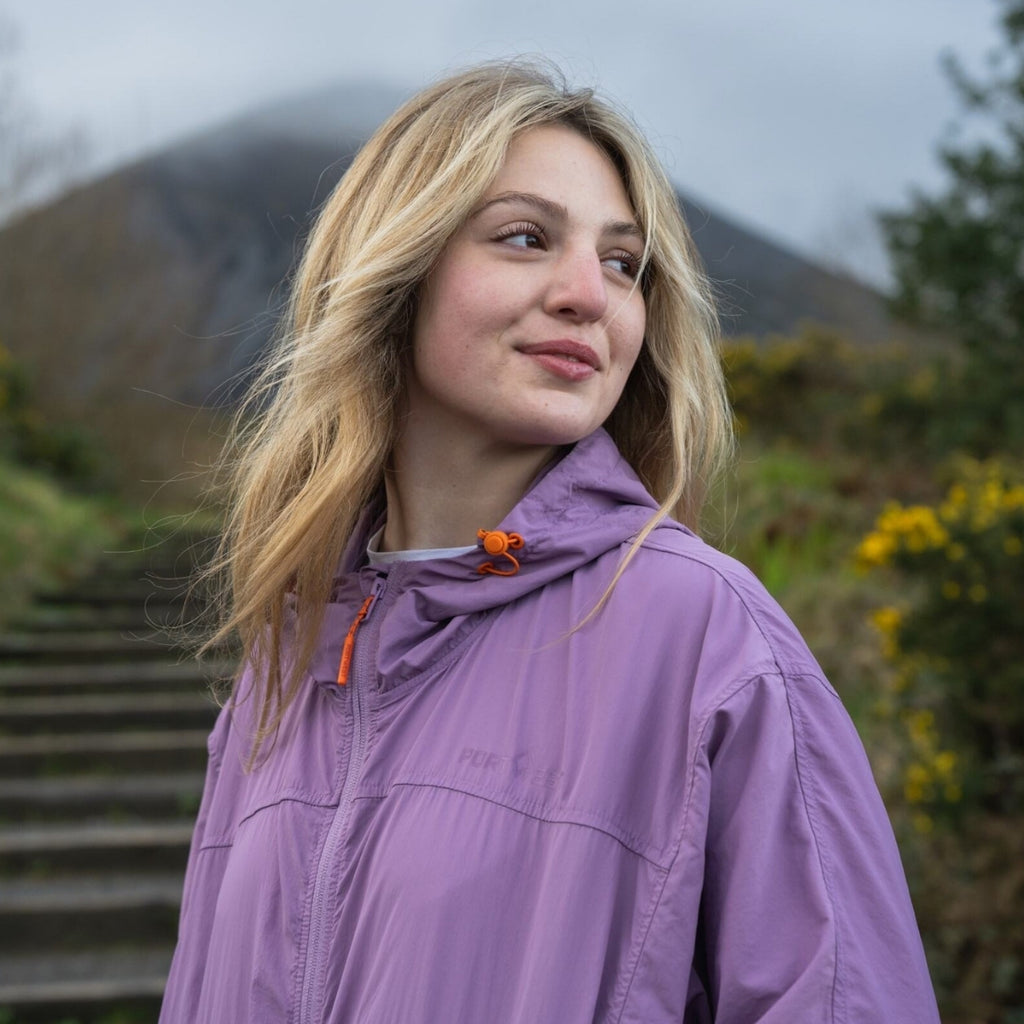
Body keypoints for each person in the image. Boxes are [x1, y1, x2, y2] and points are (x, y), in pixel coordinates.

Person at [160, 61, 941, 1023]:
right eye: (526, 238)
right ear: (397, 270)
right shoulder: (283, 662)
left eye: (622, 262)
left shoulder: (706, 637)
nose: (589, 294)